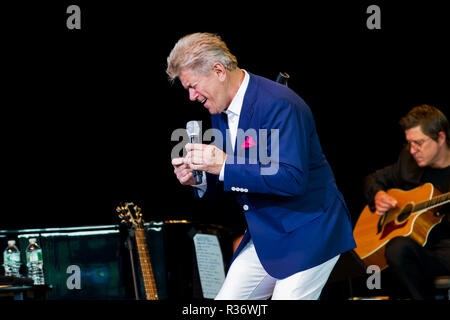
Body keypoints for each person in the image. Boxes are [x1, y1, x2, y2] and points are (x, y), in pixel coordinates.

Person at [167, 32, 355, 300]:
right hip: (269, 234)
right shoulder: (220, 110)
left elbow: (291, 178)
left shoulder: (280, 104)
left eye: (193, 86)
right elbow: (235, 178)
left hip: (309, 229)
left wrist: (223, 164)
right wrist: (198, 178)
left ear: (218, 70)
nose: (192, 96)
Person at [363, 104, 450, 300]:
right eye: (409, 143)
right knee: (385, 258)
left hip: (444, 253)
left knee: (398, 250)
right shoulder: (408, 162)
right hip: (413, 251)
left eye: (418, 143)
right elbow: (373, 179)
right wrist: (378, 195)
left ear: (441, 138)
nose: (412, 150)